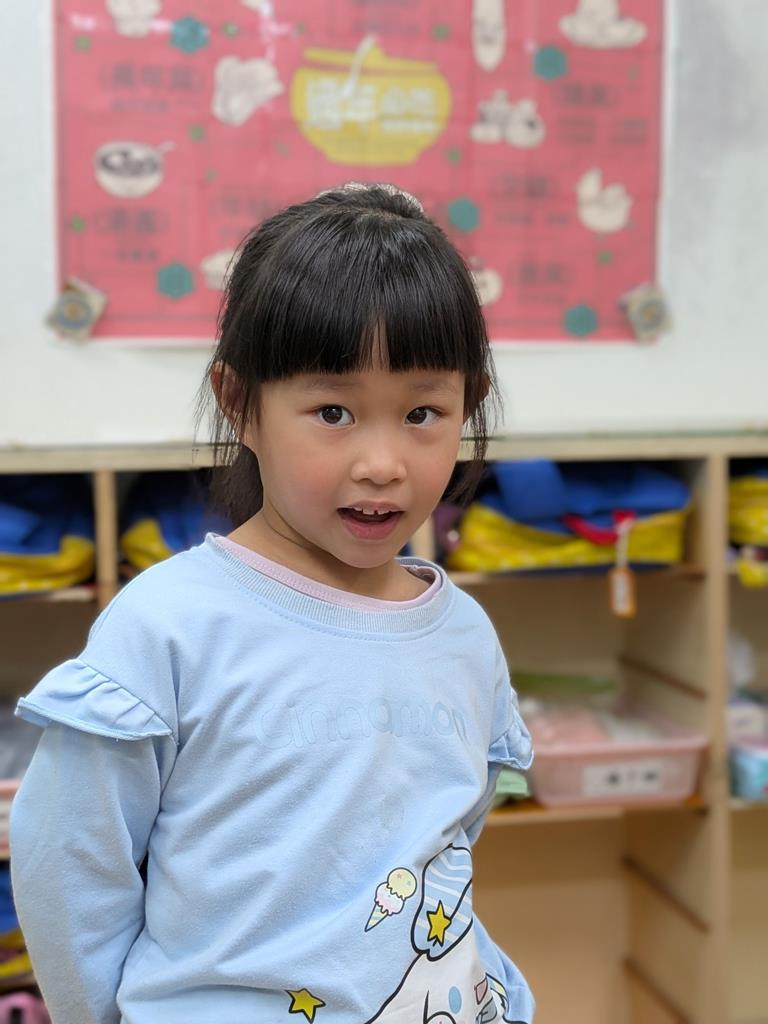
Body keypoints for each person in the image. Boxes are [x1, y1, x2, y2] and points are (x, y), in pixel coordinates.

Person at [10, 183, 534, 1024]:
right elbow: (66, 863)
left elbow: (442, 851)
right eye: (333, 411)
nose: (383, 462)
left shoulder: (463, 632)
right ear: (240, 404)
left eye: (422, 412)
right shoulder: (169, 625)